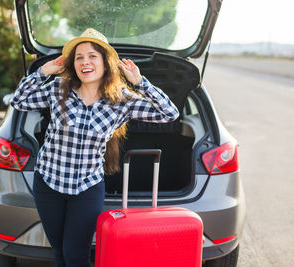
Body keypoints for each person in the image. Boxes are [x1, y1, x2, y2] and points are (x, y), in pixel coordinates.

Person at [10, 28, 179, 267]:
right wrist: (42, 72)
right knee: (58, 252)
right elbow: (19, 101)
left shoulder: (122, 100)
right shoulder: (59, 88)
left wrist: (140, 83)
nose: (84, 62)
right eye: (79, 57)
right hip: (49, 183)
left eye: (92, 56)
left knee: (76, 256)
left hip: (87, 187)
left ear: (105, 62)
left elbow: (170, 114)